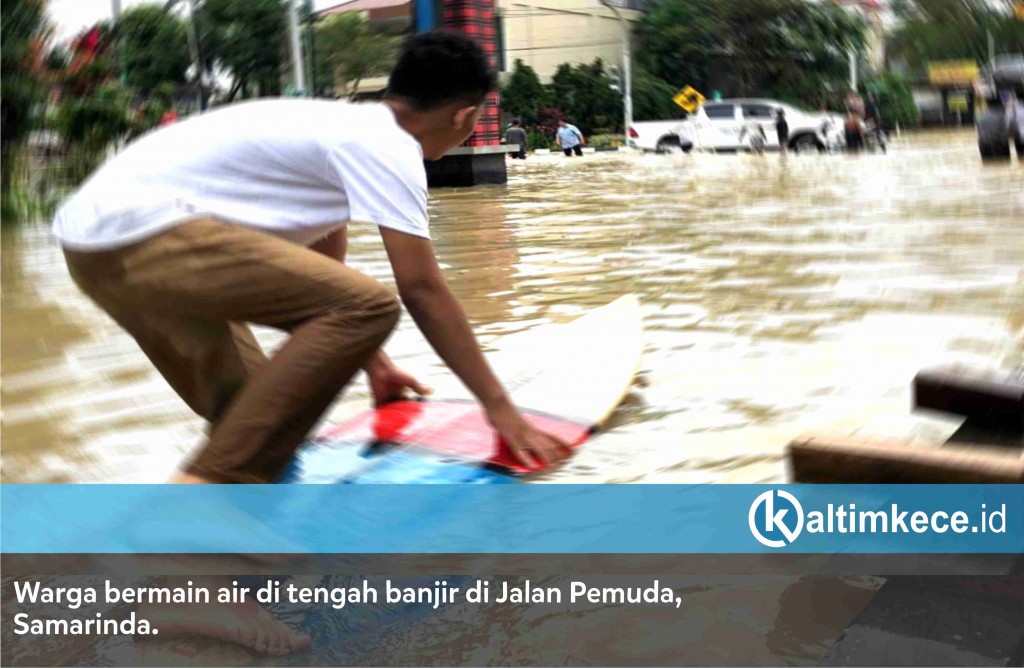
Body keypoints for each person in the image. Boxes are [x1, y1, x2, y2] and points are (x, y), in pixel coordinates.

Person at [52, 30, 572, 489]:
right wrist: (500, 410)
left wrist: (376, 363)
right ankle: (191, 505)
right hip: (149, 236)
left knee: (260, 421)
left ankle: (216, 553)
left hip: (92, 249)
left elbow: (322, 274)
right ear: (465, 113)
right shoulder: (388, 147)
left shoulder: (341, 131)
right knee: (373, 307)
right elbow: (420, 289)